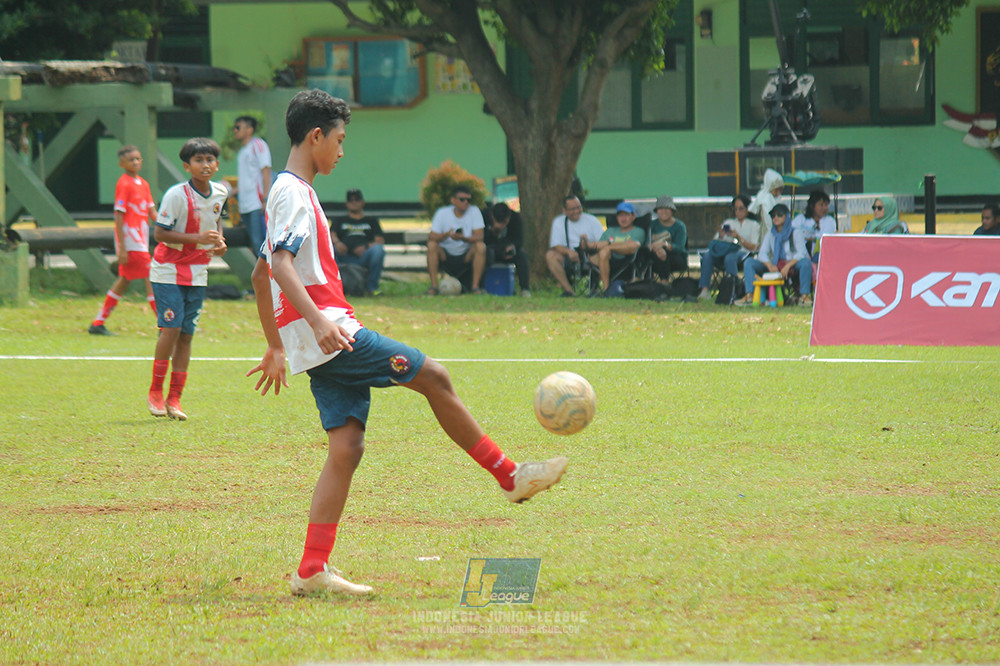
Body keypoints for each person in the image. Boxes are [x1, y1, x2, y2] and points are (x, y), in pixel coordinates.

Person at [245, 89, 568, 597]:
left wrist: (278, 345)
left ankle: (311, 569)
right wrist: (315, 323)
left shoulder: (288, 193)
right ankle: (510, 476)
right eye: (339, 140)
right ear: (315, 136)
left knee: (346, 449)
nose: (342, 151)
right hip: (334, 334)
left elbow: (261, 273)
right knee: (434, 376)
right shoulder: (293, 193)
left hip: (316, 341)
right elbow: (279, 267)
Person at [147, 138, 228, 421]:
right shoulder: (176, 195)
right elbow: (160, 233)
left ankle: (175, 398)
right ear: (187, 165)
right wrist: (197, 238)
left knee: (187, 335)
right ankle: (155, 391)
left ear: (217, 164)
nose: (205, 165)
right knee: (170, 329)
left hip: (198, 272)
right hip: (168, 270)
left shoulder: (220, 192)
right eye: (198, 160)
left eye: (210, 160)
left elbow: (217, 219)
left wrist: (219, 240)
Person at [88, 145, 158, 335]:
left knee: (124, 280)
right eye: (131, 159)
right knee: (151, 276)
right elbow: (119, 216)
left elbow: (152, 212)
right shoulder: (124, 183)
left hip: (141, 238)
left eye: (138, 159)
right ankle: (163, 325)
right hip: (130, 238)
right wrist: (123, 248)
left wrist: (168, 225)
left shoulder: (143, 184)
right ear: (121, 164)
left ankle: (97, 323)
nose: (135, 162)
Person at [738, 203, 812, 307]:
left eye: (779, 215)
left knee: (805, 263)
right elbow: (762, 253)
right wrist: (769, 265)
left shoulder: (795, 232)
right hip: (776, 265)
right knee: (749, 262)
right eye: (773, 215)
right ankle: (750, 295)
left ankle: (805, 296)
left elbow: (801, 252)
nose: (775, 217)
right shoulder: (771, 234)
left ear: (786, 217)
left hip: (792, 265)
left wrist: (787, 266)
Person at [697, 193, 762, 301]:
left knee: (730, 257)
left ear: (747, 209)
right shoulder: (729, 222)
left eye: (741, 209)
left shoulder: (754, 225)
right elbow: (716, 243)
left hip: (743, 253)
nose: (738, 212)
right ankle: (705, 289)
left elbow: (754, 247)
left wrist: (738, 237)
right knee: (708, 255)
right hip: (724, 251)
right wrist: (722, 236)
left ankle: (732, 289)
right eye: (735, 209)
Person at [425, 185, 486, 294]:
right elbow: (432, 236)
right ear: (453, 200)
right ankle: (434, 286)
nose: (466, 202)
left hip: (466, 255)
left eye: (469, 200)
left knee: (481, 246)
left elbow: (480, 236)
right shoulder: (442, 213)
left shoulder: (474, 211)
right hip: (446, 254)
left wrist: (463, 238)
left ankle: (475, 287)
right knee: (432, 245)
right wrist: (446, 235)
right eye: (462, 199)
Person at [545, 195, 605, 297]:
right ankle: (569, 291)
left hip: (591, 254)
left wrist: (588, 246)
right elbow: (556, 245)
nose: (576, 211)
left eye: (579, 207)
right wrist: (568, 252)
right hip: (570, 257)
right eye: (572, 209)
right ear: (564, 211)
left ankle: (598, 289)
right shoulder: (559, 222)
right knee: (550, 255)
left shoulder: (592, 220)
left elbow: (603, 243)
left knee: (603, 255)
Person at [329, 188, 386, 295]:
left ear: (362, 202)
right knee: (330, 250)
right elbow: (331, 235)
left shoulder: (371, 221)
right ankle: (334, 288)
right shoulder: (339, 220)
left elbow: (379, 240)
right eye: (351, 200)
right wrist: (338, 243)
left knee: (378, 250)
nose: (354, 202)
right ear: (347, 204)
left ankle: (372, 288)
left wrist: (366, 247)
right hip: (343, 256)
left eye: (357, 200)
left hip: (364, 256)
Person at [582, 201, 644, 296]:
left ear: (633, 216)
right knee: (603, 252)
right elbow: (598, 245)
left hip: (629, 261)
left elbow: (633, 246)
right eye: (620, 215)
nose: (623, 218)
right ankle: (607, 290)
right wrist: (586, 243)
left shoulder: (638, 231)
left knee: (628, 245)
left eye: (626, 215)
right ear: (617, 218)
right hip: (608, 262)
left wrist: (608, 244)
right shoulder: (610, 231)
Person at [232, 116, 272, 257]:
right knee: (254, 244)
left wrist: (266, 199)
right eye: (234, 128)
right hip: (245, 205)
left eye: (238, 127)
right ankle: (263, 277)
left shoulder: (258, 145)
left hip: (257, 204)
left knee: (261, 244)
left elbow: (266, 172)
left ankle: (271, 277)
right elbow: (246, 180)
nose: (235, 130)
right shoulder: (242, 152)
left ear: (250, 130)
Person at [791, 190, 837, 289]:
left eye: (826, 205)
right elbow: (793, 234)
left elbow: (824, 238)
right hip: (801, 253)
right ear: (812, 206)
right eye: (821, 205)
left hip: (820, 254)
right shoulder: (800, 219)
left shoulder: (829, 221)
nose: (824, 208)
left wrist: (807, 237)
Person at [484, 202, 530, 297]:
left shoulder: (516, 218)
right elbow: (482, 238)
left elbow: (519, 239)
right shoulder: (484, 216)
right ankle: (481, 286)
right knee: (483, 254)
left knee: (521, 255)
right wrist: (493, 231)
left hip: (506, 248)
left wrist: (513, 246)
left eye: (504, 222)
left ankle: (525, 288)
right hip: (490, 248)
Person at [647, 196, 688, 282]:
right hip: (654, 255)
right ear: (657, 211)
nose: (663, 211)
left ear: (672, 211)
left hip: (676, 257)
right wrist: (657, 248)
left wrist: (664, 245)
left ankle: (664, 283)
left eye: (667, 208)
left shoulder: (680, 226)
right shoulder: (651, 225)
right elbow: (646, 243)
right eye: (661, 209)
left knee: (663, 254)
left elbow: (680, 247)